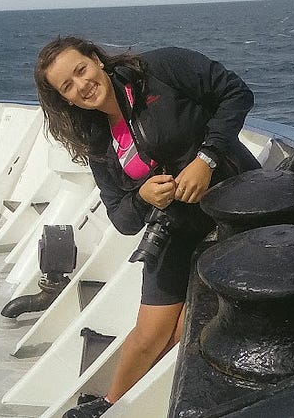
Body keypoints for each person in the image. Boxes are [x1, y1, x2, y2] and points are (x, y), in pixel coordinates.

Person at [34, 37, 262, 418]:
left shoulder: (161, 69)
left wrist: (206, 159)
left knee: (190, 324)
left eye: (81, 70)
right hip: (175, 225)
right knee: (148, 334)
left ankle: (150, 402)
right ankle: (109, 405)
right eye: (68, 87)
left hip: (231, 207)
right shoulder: (97, 140)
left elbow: (235, 93)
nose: (82, 85)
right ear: (66, 100)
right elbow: (122, 218)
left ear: (96, 59)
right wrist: (143, 197)